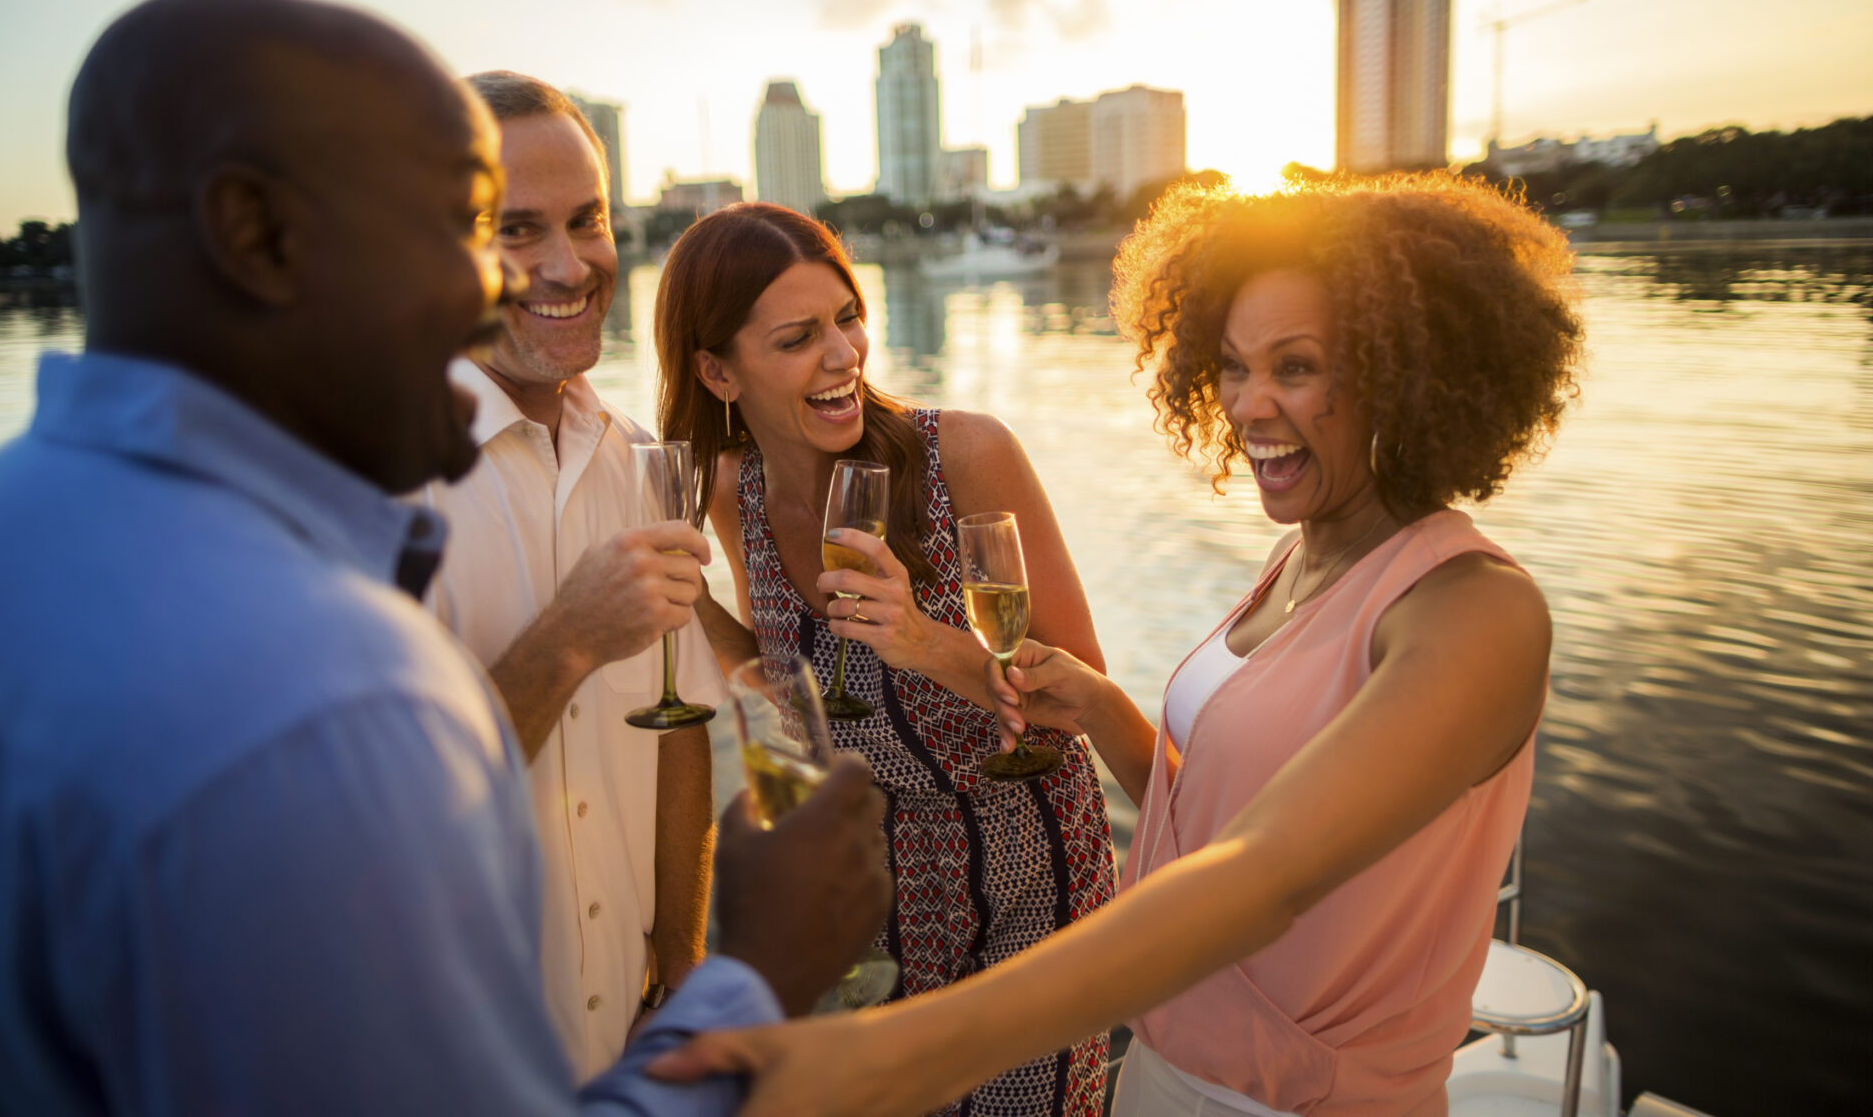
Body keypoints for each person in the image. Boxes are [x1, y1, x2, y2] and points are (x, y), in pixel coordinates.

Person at [0, 0, 890, 1116]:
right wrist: (758, 977)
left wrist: (679, 965)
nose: (511, 280)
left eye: (582, 220)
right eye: (468, 224)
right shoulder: (325, 682)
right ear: (253, 232)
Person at [647, 175, 1585, 1117]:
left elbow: (1262, 877)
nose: (1251, 405)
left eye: (1297, 366)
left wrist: (894, 1053)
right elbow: (1188, 807)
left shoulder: (1476, 610)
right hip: (1165, 1049)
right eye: (1231, 364)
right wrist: (1094, 704)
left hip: (1290, 1084)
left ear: (1407, 370)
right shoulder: (1295, 565)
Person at [654, 202, 1118, 1116]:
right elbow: (796, 689)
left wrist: (922, 640)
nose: (844, 356)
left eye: (847, 318)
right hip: (873, 902)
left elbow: (1083, 695)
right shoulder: (726, 493)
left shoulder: (966, 455)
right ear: (717, 370)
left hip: (1027, 879)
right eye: (798, 338)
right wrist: (696, 613)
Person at [414, 70, 720, 1080]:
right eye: (516, 230)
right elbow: (384, 824)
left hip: (630, 1044)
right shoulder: (378, 485)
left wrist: (679, 971)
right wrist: (570, 638)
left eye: (587, 218)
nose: (569, 264)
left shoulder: (643, 460)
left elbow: (683, 738)